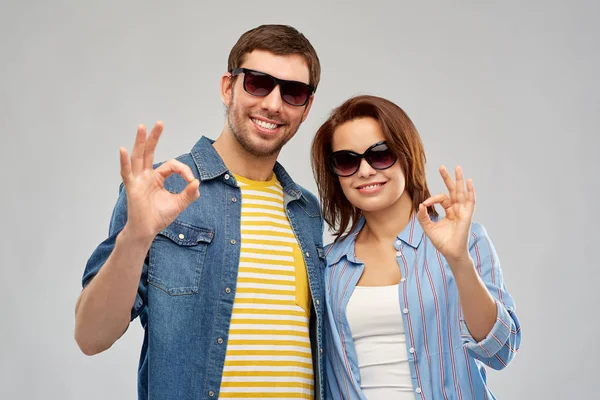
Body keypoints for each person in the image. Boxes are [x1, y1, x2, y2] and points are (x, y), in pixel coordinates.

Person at [75, 24, 327, 400]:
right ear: (228, 87)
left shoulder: (307, 212)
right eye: (258, 83)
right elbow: (91, 336)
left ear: (305, 109)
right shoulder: (161, 189)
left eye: (292, 92)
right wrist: (136, 237)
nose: (273, 104)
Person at [311, 95, 521, 399]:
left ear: (406, 155)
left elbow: (500, 352)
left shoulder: (467, 242)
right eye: (347, 161)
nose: (365, 171)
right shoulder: (328, 265)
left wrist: (458, 260)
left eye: (380, 154)